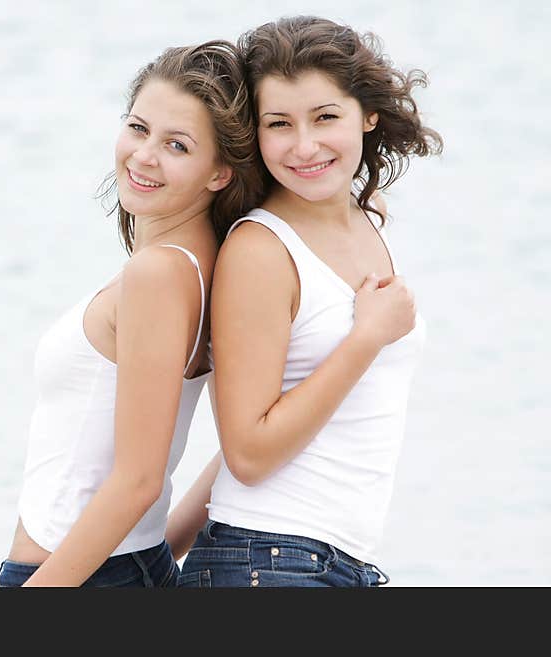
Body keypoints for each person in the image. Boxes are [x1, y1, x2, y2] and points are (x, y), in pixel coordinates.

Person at [176, 16, 443, 587]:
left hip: (328, 563)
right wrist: (366, 338)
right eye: (279, 124)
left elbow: (282, 432)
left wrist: (167, 549)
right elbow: (249, 453)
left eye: (325, 116)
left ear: (367, 114)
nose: (305, 146)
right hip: (272, 561)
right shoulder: (260, 249)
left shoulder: (367, 226)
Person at [0, 40, 261, 586]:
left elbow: (138, 481)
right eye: (138, 128)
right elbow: (235, 450)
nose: (143, 155)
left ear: (220, 173)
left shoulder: (159, 275)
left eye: (177, 146)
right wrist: (161, 559)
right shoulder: (211, 266)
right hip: (121, 568)